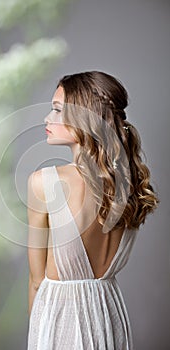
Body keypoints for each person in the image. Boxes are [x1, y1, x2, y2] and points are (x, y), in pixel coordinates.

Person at [26, 71, 159, 349]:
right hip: (109, 317)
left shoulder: (46, 182)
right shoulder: (129, 184)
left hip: (59, 321)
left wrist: (38, 334)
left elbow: (37, 281)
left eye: (57, 110)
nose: (47, 119)